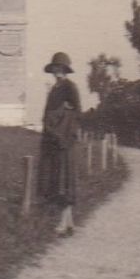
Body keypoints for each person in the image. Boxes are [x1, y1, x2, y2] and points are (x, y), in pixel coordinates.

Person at [37, 51, 81, 235]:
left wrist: (66, 132)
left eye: (60, 68)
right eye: (55, 68)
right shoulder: (55, 88)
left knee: (64, 179)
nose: (57, 71)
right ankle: (69, 223)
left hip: (63, 139)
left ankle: (63, 223)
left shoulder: (70, 87)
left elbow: (77, 112)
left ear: (66, 70)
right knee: (56, 178)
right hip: (52, 138)